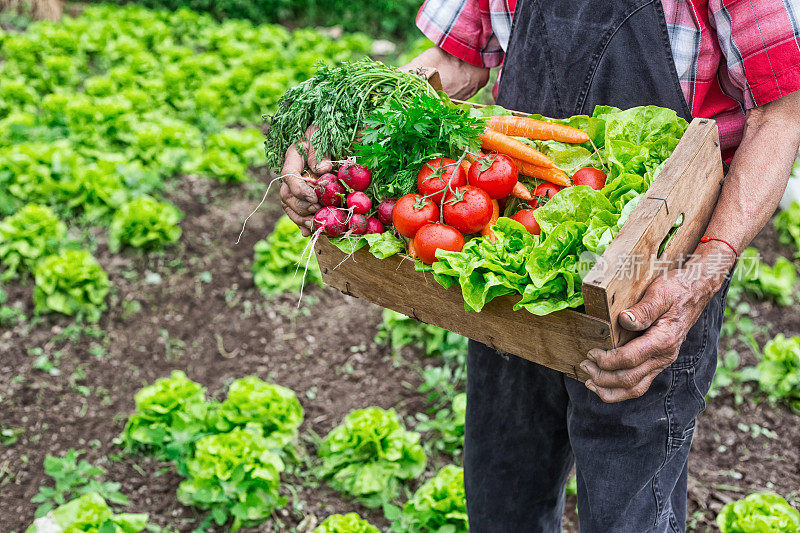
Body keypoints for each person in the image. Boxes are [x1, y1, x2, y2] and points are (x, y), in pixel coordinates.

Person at [280, 0, 800, 530]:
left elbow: (780, 113)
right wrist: (355, 122)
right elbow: (461, 58)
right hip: (512, 241)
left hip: (657, 269)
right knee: (503, 492)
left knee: (629, 506)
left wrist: (702, 274)